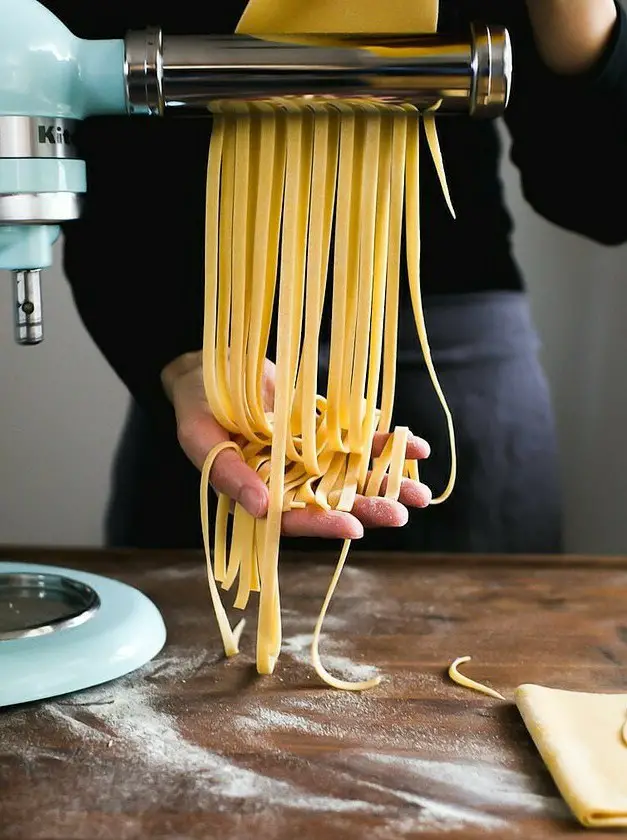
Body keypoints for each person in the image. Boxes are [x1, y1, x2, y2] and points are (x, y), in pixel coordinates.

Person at [43, 0, 627, 553]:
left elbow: (601, 198)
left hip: (454, 356)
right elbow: (89, 144)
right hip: (206, 363)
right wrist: (181, 361)